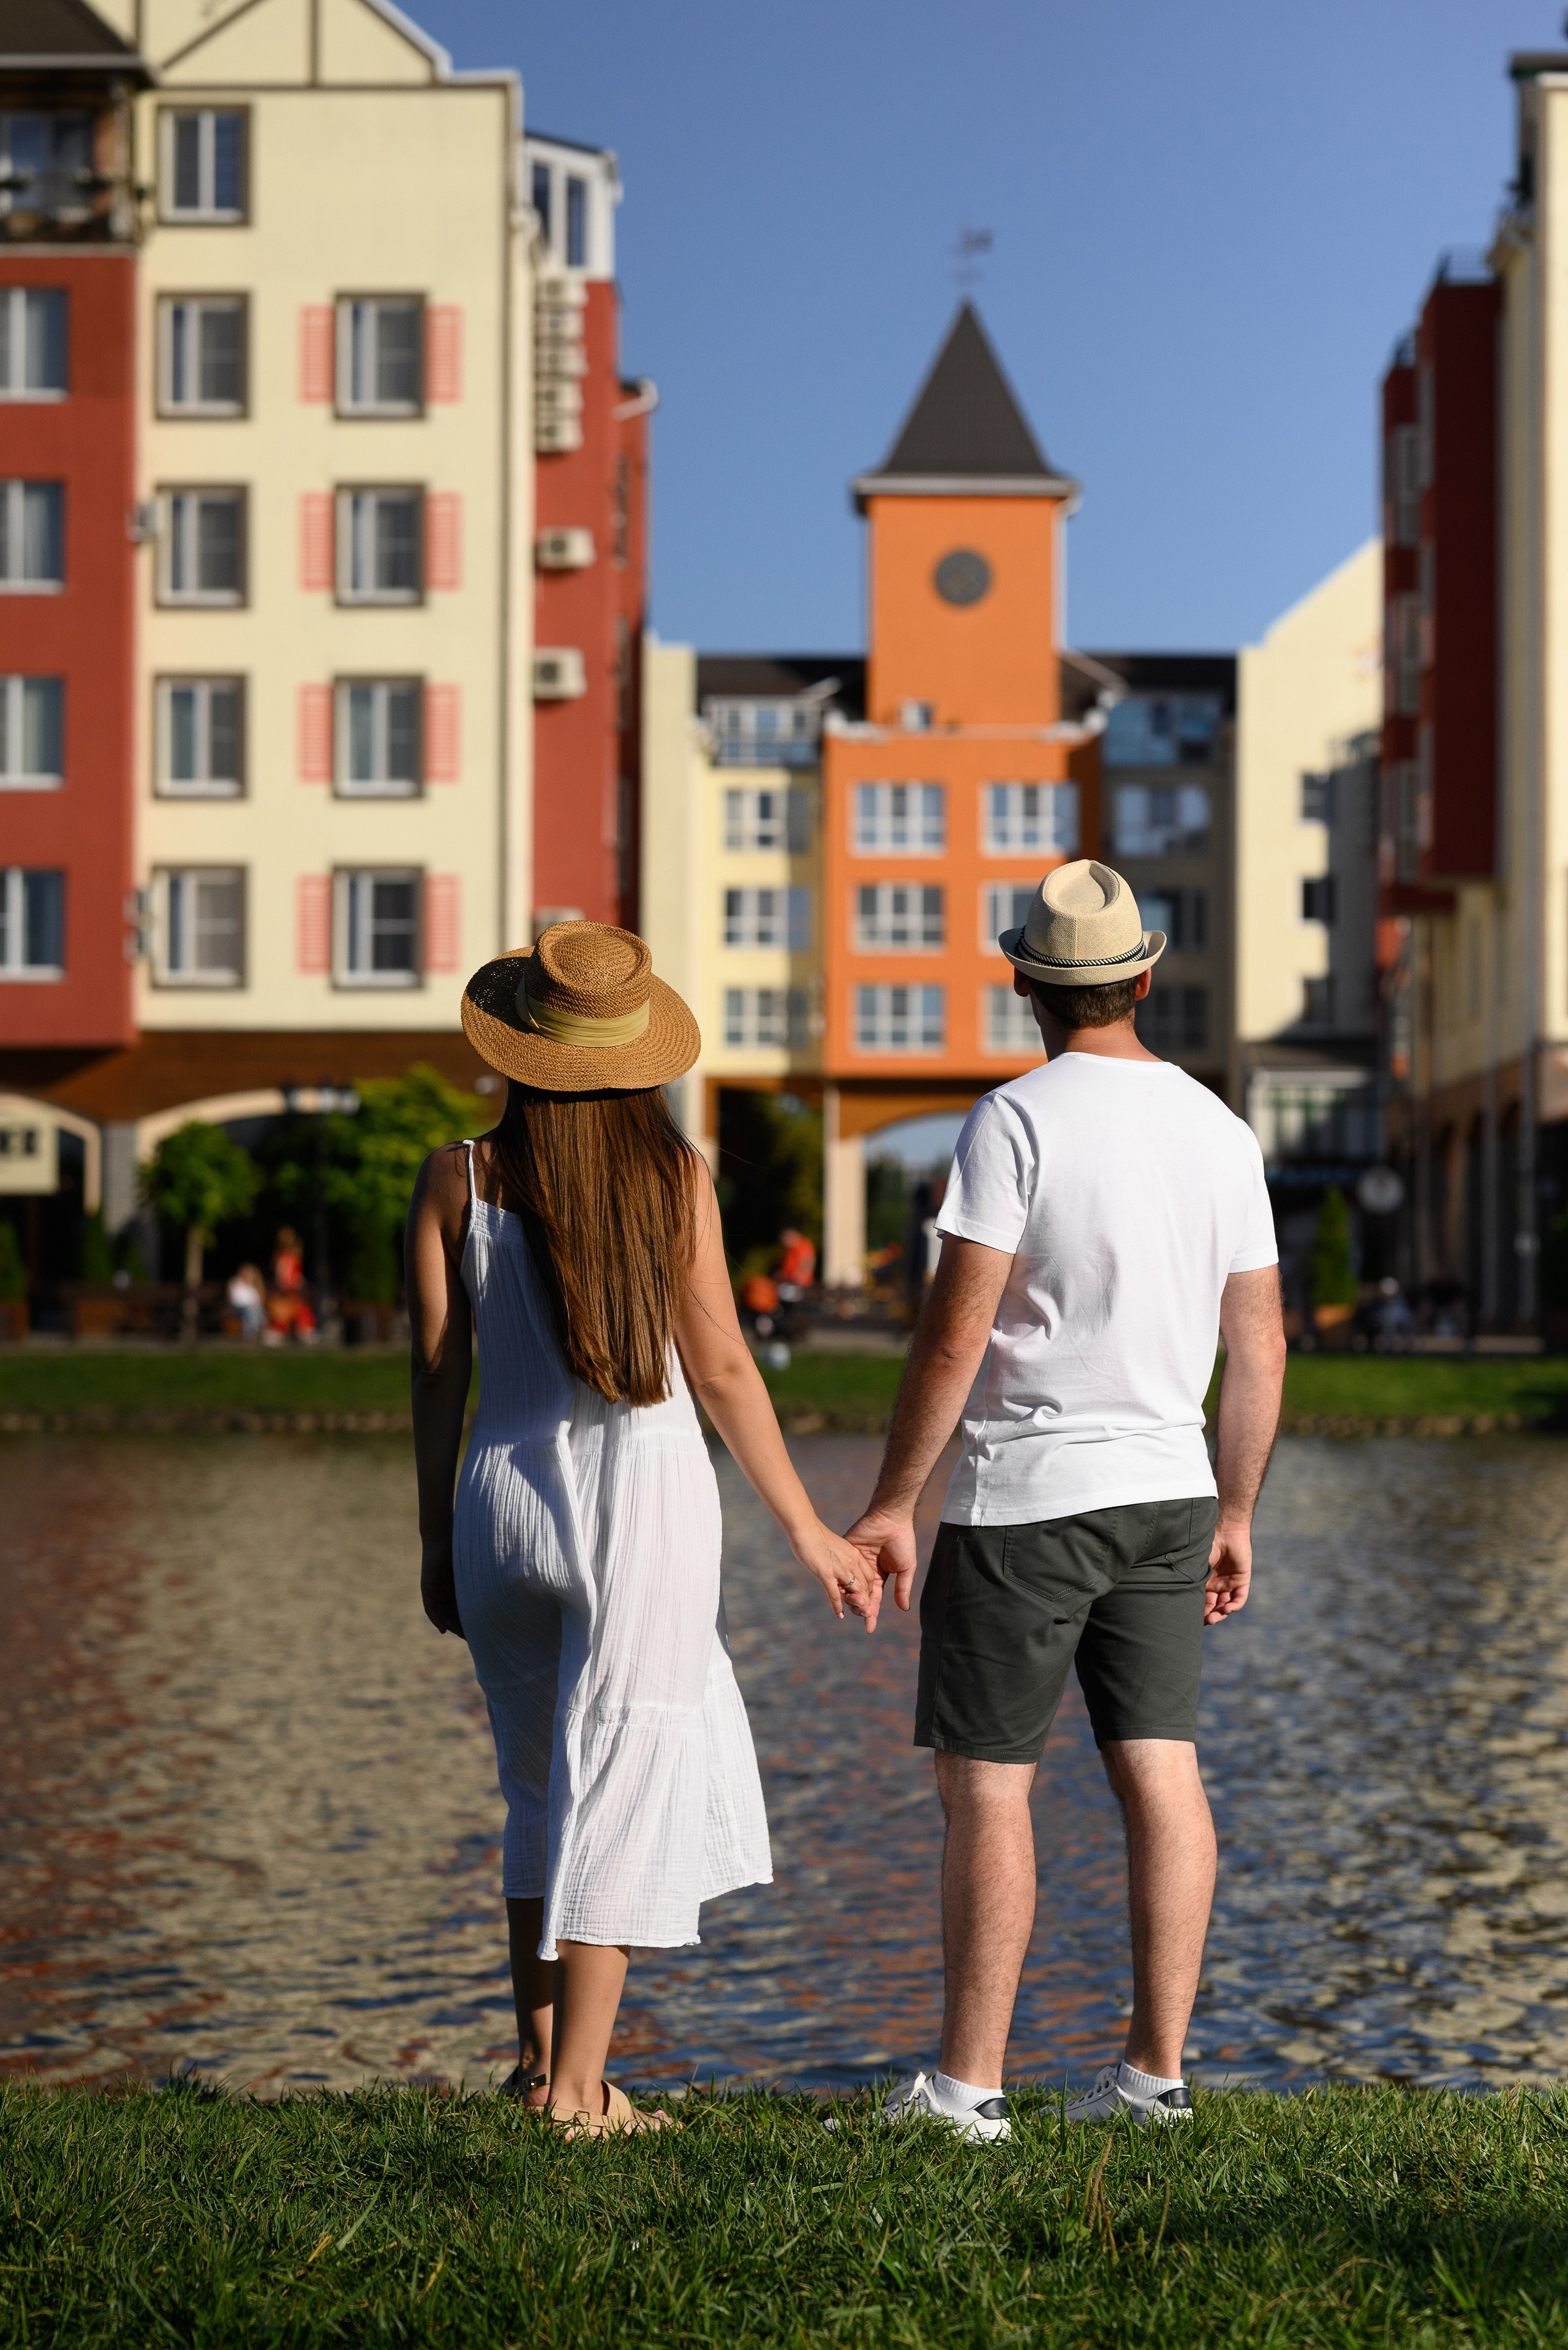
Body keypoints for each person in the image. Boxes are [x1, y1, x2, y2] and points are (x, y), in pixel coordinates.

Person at [406, 920, 875, 2138]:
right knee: (616, 1776)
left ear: (520, 1047)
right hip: (641, 1503)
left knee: (530, 1787)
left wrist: (432, 1535)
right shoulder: (673, 1176)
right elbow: (720, 1366)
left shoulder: (456, 1174)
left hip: (496, 1502)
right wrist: (808, 1529)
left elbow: (434, 1373)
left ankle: (532, 2059)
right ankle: (580, 2094)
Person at [845, 859, 1286, 2141]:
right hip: (1168, 1494)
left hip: (1025, 1494)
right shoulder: (1218, 1127)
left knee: (989, 1787)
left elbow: (949, 1338)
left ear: (1026, 984)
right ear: (1141, 976)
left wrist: (888, 1503)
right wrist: (1237, 1510)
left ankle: (966, 2089)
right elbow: (1254, 1345)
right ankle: (1154, 2081)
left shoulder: (1013, 1118)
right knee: (1160, 1770)